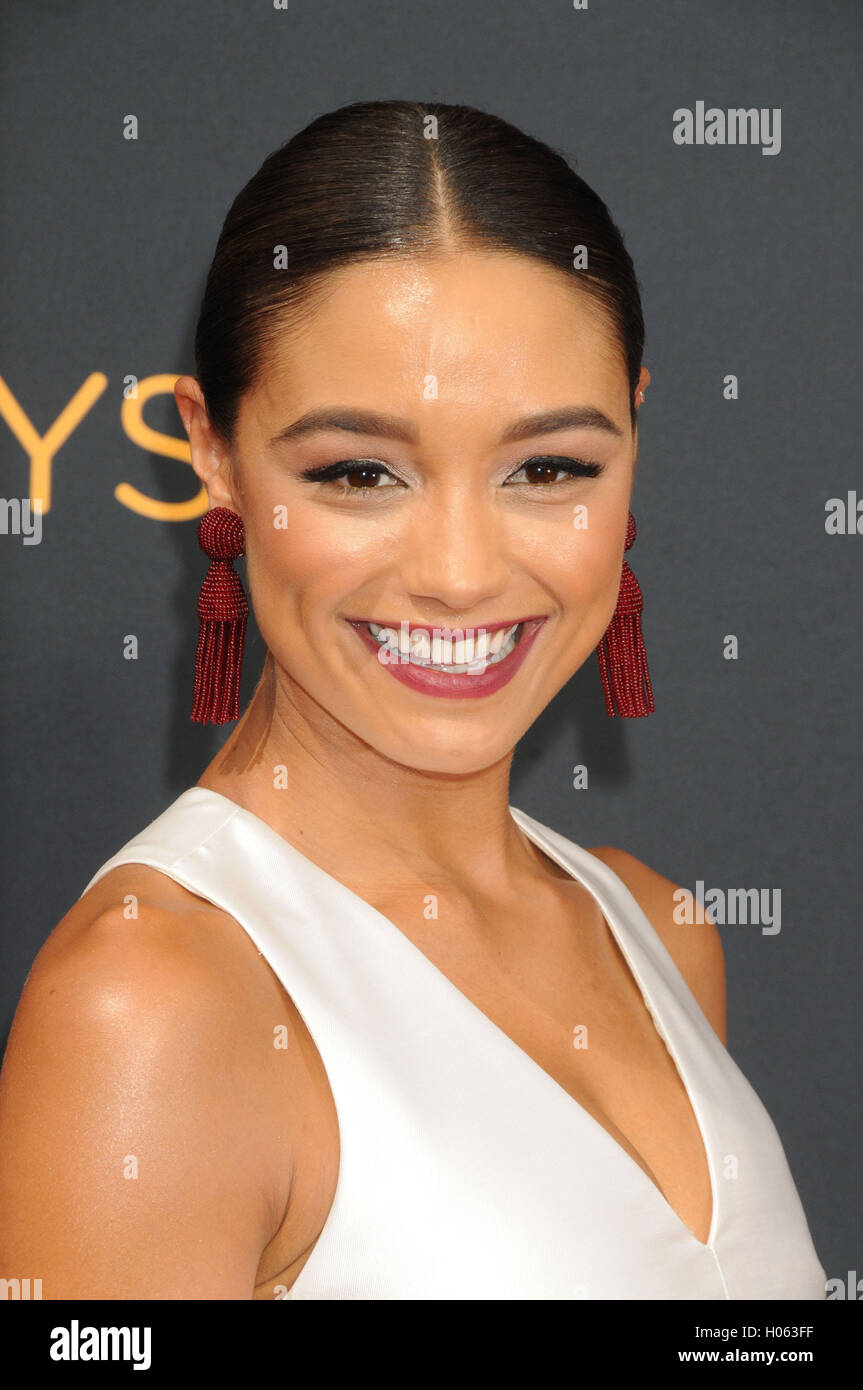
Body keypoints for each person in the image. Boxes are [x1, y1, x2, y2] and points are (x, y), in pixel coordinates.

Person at [0, 100, 826, 1300]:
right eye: (358, 472)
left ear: (633, 437)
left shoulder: (659, 929)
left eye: (547, 468)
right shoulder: (154, 1010)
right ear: (214, 451)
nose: (457, 570)